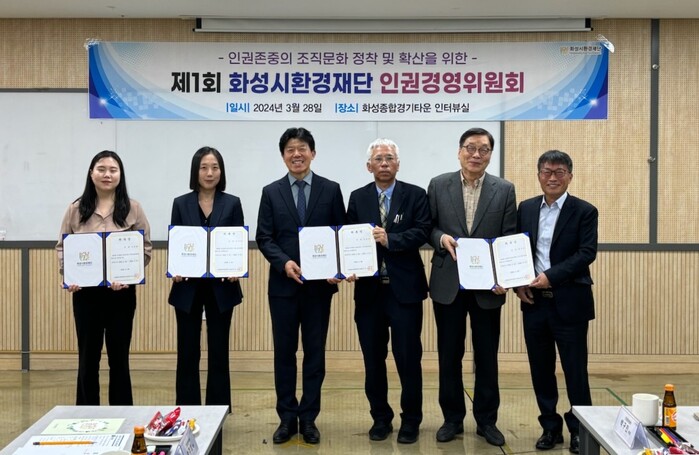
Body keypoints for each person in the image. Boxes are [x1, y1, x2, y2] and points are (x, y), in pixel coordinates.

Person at [255, 127, 346, 445]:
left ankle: (308, 418)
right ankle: (286, 418)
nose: (297, 154)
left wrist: (337, 267)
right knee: (284, 354)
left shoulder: (331, 189)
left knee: (314, 354)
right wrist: (284, 263)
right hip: (283, 287)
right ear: (283, 156)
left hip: (319, 290)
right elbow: (264, 236)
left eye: (303, 148)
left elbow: (340, 234)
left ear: (313, 153)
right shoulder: (271, 191)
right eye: (291, 149)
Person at [427, 127, 516, 446]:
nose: (476, 154)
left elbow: (508, 236)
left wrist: (504, 277)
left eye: (483, 149)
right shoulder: (439, 184)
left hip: (487, 287)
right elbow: (428, 227)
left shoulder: (504, 189)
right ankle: (452, 419)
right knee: (449, 355)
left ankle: (486, 421)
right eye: (470, 148)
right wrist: (440, 238)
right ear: (459, 151)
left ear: (490, 154)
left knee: (487, 356)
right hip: (448, 283)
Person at [346, 138, 431, 444]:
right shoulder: (357, 197)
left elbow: (422, 231)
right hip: (369, 293)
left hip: (404, 291)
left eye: (389, 158)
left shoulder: (415, 195)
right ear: (369, 166)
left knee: (408, 359)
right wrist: (347, 266)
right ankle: (380, 418)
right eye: (378, 159)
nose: (384, 163)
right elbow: (348, 237)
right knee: (373, 359)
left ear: (398, 164)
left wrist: (390, 239)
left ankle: (411, 420)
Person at [515, 150, 598, 454]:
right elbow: (516, 250)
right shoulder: (525, 208)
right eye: (546, 172)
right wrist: (517, 284)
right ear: (538, 176)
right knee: (541, 369)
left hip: (570, 302)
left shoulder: (585, 211)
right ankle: (550, 427)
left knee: (575, 371)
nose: (552, 177)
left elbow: (586, 253)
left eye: (559, 172)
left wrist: (550, 276)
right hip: (534, 303)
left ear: (570, 177)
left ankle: (579, 430)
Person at [56, 150, 152, 405]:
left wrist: (130, 275)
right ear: (91, 173)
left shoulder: (133, 208)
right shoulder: (75, 209)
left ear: (120, 175)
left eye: (113, 170)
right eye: (101, 169)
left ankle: (122, 413)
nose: (107, 174)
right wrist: (69, 275)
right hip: (86, 295)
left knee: (119, 358)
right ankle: (86, 414)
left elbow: (145, 249)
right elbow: (62, 247)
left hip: (121, 294)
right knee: (88, 358)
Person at [168, 146, 244, 410]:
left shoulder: (232, 203)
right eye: (204, 167)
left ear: (221, 171)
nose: (209, 173)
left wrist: (236, 267)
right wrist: (175, 267)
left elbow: (237, 242)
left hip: (222, 288)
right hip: (187, 288)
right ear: (195, 171)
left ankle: (217, 411)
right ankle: (187, 410)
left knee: (219, 351)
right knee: (187, 352)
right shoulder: (180, 203)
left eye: (215, 167)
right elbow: (176, 242)